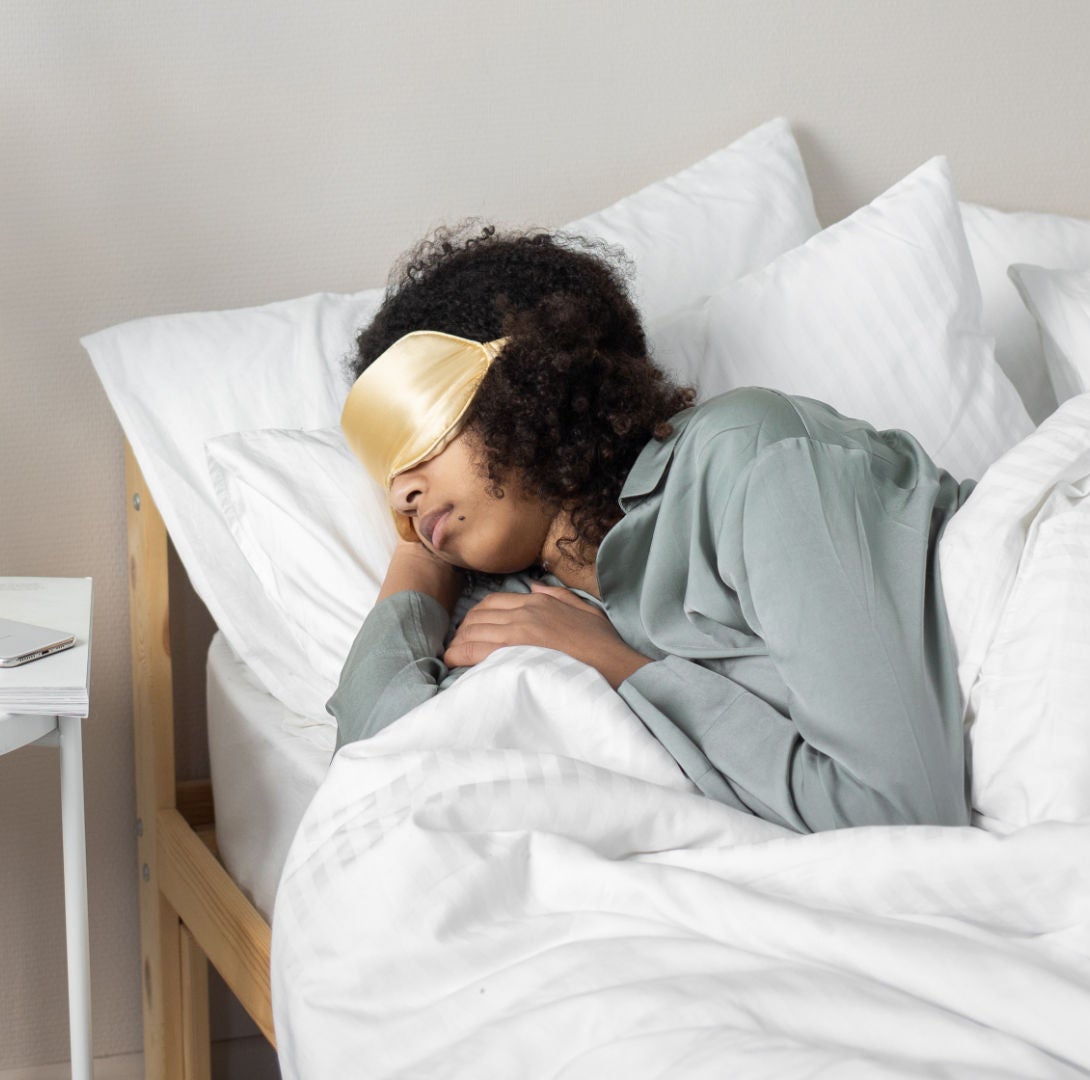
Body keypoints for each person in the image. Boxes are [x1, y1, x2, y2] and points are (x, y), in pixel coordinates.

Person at [326, 221, 975, 833]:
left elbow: (903, 810)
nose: (402, 490)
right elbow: (381, 767)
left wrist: (617, 665)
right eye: (387, 477)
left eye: (418, 435)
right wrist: (416, 563)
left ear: (527, 380)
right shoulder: (519, 611)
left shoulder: (747, 457)